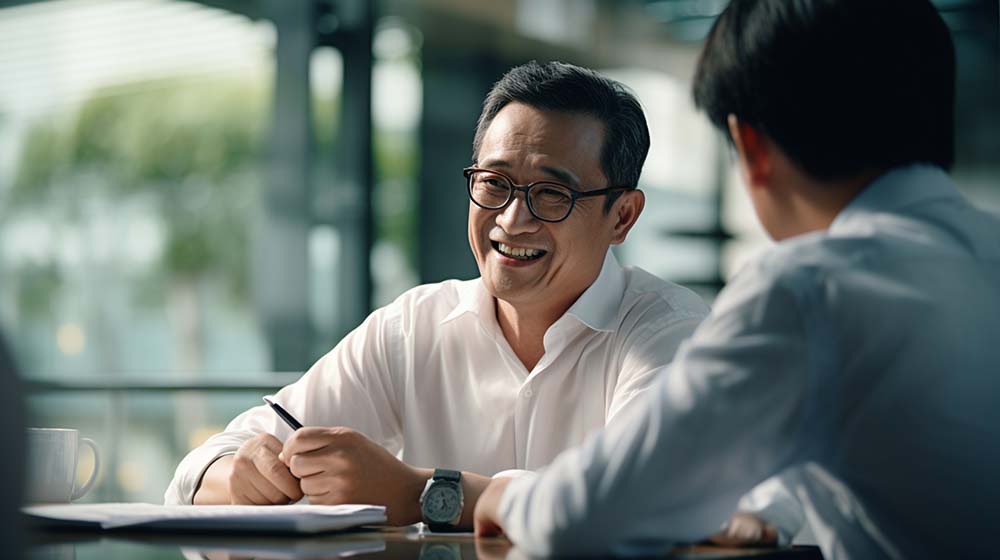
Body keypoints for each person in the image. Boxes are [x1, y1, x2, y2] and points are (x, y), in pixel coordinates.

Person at [473, 0, 1000, 557]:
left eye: (551, 193)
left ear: (750, 146)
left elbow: (586, 517)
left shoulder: (809, 289)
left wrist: (503, 495)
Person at [165, 61, 710, 529]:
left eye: (551, 193)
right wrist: (239, 477)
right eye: (494, 184)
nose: (512, 220)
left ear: (623, 216)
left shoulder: (670, 333)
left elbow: (637, 502)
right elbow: (206, 465)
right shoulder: (414, 324)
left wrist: (421, 493)